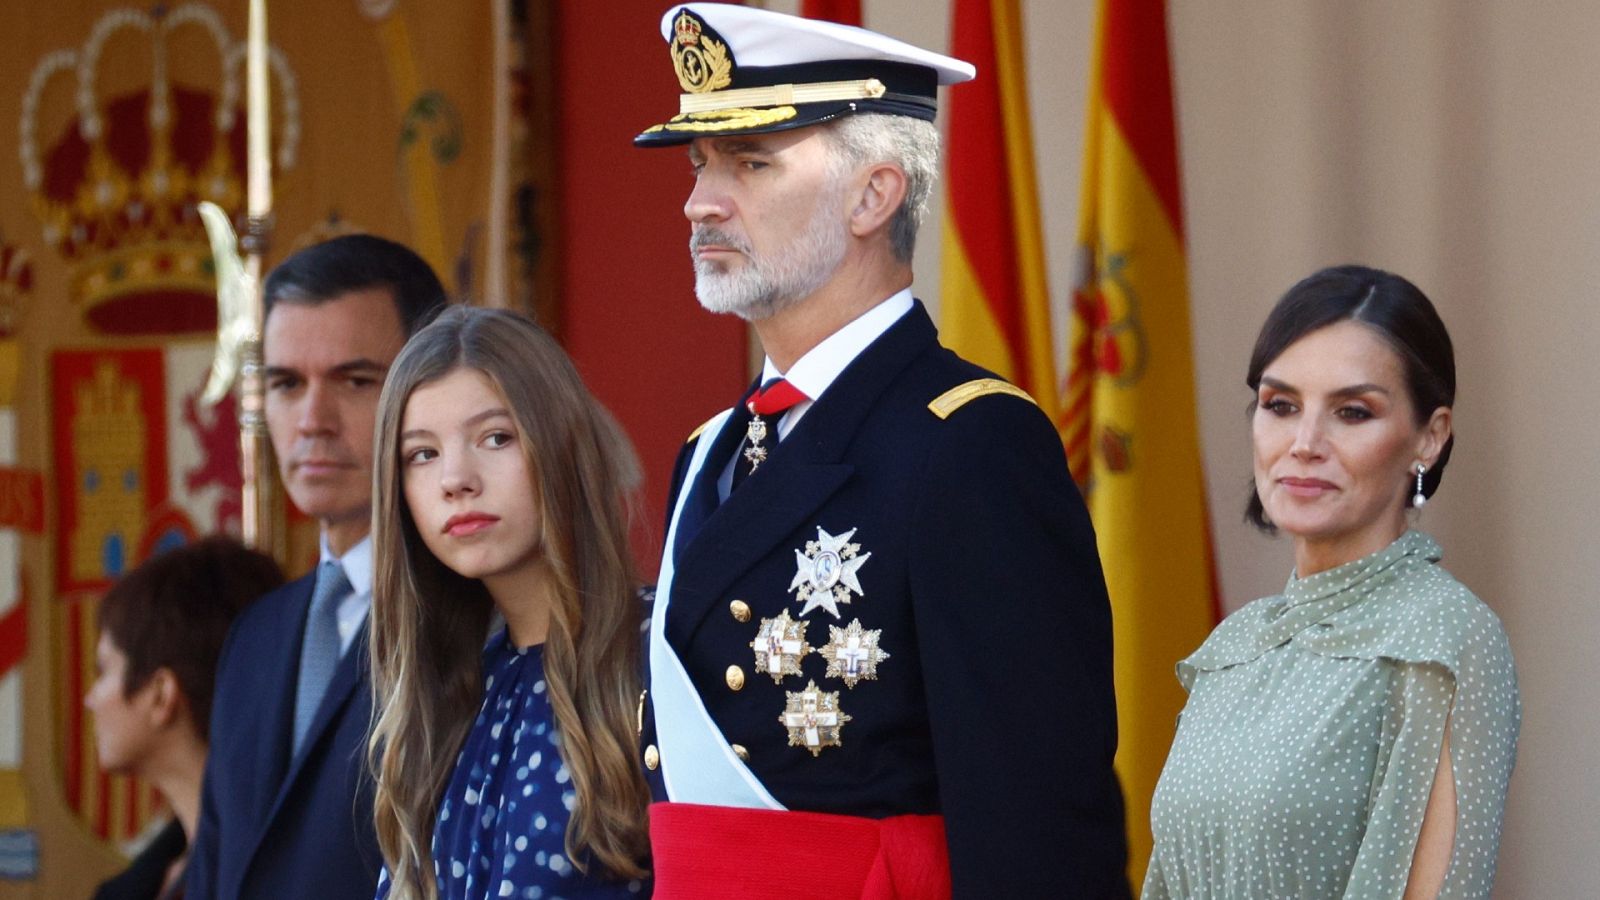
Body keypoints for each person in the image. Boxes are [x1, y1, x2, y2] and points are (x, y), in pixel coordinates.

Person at [633, 5, 1127, 897]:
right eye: (701, 163)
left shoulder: (971, 444)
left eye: (751, 162)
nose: (700, 201)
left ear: (874, 195)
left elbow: (1039, 820)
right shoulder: (710, 450)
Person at [1143, 266, 1521, 899]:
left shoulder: (1445, 637)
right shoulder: (1236, 646)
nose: (1305, 442)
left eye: (1352, 412)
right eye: (1281, 405)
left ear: (1430, 438)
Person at [187, 235, 447, 900]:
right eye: (285, 384)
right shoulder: (255, 635)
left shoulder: (476, 621)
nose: (311, 421)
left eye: (355, 381)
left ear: (430, 387)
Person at [365, 306, 650, 899]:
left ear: (560, 445)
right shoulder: (448, 691)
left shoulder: (658, 656)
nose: (456, 479)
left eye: (496, 438)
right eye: (422, 454)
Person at [86, 537, 284, 900]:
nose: (90, 699)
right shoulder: (146, 880)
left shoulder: (284, 876)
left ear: (161, 694)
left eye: (104, 671)